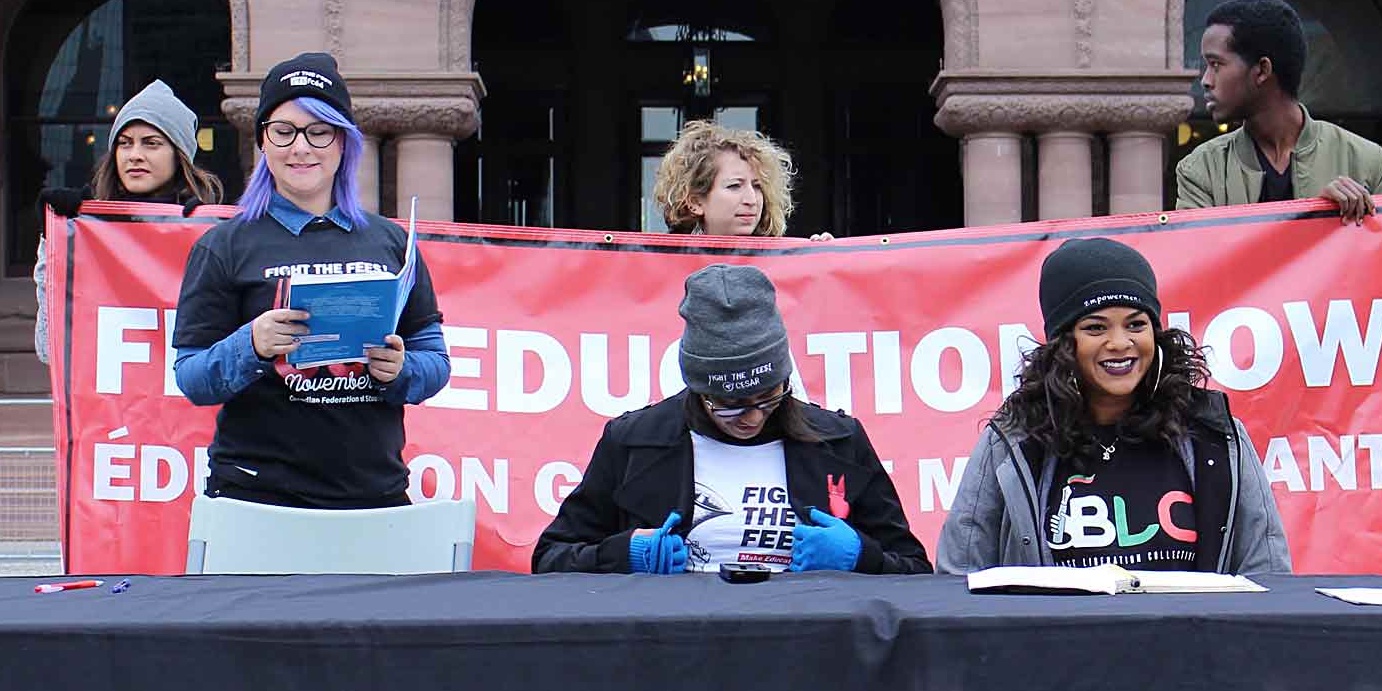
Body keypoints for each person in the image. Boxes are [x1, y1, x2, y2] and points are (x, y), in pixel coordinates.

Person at [171, 53, 450, 509]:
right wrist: (251, 344)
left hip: (373, 495)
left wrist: (402, 371)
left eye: (319, 131)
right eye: (283, 131)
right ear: (263, 142)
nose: (301, 148)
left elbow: (435, 360)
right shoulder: (223, 246)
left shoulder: (391, 243)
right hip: (255, 498)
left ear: (344, 142)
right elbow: (192, 377)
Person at [535, 263, 928, 576]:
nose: (751, 418)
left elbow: (914, 569)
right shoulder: (633, 440)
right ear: (698, 389)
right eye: (730, 404)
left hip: (806, 638)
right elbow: (550, 557)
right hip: (676, 639)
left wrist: (860, 557)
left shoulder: (839, 441)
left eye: (769, 397)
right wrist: (624, 554)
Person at [937, 237, 1290, 577]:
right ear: (1063, 343)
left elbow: (1268, 575)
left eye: (1136, 324)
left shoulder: (1214, 434)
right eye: (1095, 328)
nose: (1120, 343)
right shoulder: (1013, 439)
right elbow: (959, 578)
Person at [34, 79, 223, 366]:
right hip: (108, 394)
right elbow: (49, 348)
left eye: (151, 143)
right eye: (124, 143)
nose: (135, 155)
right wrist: (54, 242)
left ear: (179, 155)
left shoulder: (216, 235)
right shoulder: (89, 234)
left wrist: (204, 235)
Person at [1176, 0, 1382, 224]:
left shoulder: (1367, 161)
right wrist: (1318, 216)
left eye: (1216, 64)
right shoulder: (1200, 169)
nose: (1205, 80)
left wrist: (1347, 221)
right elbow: (1196, 248)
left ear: (1262, 70)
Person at [650, 120, 798, 237]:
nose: (752, 200)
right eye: (734, 186)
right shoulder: (667, 261)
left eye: (758, 186)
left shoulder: (778, 258)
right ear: (695, 202)